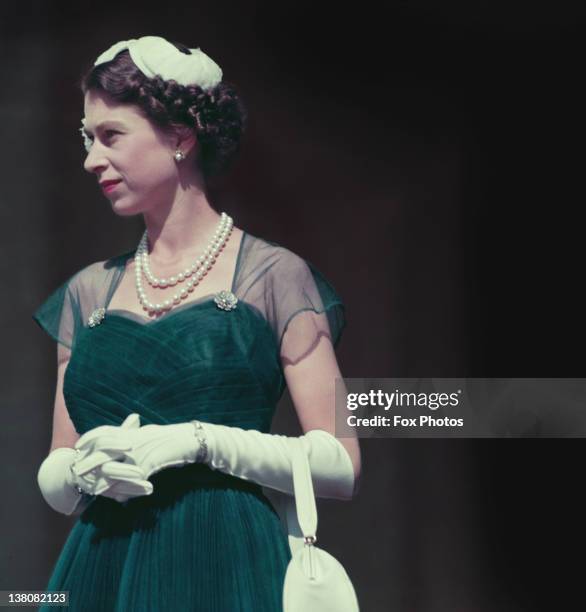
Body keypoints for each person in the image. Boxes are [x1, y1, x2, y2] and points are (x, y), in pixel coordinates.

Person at [33, 35, 362, 611]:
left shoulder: (274, 276)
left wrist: (199, 442)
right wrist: (84, 472)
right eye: (87, 138)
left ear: (181, 136)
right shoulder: (88, 292)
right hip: (102, 567)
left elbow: (341, 464)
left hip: (225, 562)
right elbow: (57, 478)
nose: (90, 158)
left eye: (111, 135)